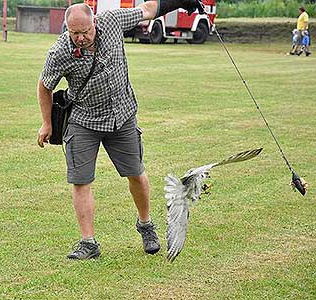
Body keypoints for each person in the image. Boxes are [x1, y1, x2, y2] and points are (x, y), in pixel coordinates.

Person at [37, 0, 203, 260]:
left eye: (85, 32)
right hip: (84, 119)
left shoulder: (113, 21)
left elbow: (148, 10)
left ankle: (146, 225)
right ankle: (88, 243)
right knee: (80, 181)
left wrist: (180, 2)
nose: (80, 38)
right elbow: (45, 85)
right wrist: (47, 123)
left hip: (122, 116)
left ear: (94, 22)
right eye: (74, 33)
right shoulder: (59, 52)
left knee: (136, 174)